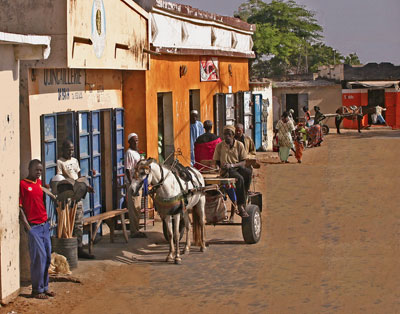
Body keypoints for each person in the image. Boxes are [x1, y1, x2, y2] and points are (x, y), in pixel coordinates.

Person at [20, 159, 55, 299]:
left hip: (44, 225)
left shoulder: (39, 184)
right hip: (33, 227)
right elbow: (20, 208)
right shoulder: (23, 185)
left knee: (46, 257)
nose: (39, 173)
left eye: (41, 170)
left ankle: (45, 287)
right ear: (30, 169)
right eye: (36, 170)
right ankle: (37, 290)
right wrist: (27, 226)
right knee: (38, 258)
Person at [57, 140, 94, 259]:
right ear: (63, 149)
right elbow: (61, 179)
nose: (70, 152)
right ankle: (69, 250)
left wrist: (85, 187)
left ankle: (79, 248)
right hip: (67, 196)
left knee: (79, 223)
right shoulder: (60, 162)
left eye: (72, 149)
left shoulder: (75, 161)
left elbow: (79, 177)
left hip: (77, 196)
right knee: (69, 223)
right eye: (68, 149)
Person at [213, 125, 251, 218]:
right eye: (225, 134)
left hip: (236, 167)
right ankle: (240, 206)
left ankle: (244, 193)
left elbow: (244, 161)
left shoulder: (239, 145)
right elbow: (217, 161)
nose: (227, 136)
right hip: (226, 170)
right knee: (239, 179)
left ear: (233, 135)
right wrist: (218, 167)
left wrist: (233, 165)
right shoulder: (220, 146)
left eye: (229, 134)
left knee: (248, 172)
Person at [125, 133, 146, 238]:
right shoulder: (129, 153)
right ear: (129, 142)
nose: (136, 142)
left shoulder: (136, 152)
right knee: (133, 208)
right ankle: (134, 231)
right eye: (134, 141)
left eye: (137, 140)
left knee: (138, 208)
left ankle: (137, 229)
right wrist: (132, 184)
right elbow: (128, 169)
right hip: (134, 184)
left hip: (139, 182)